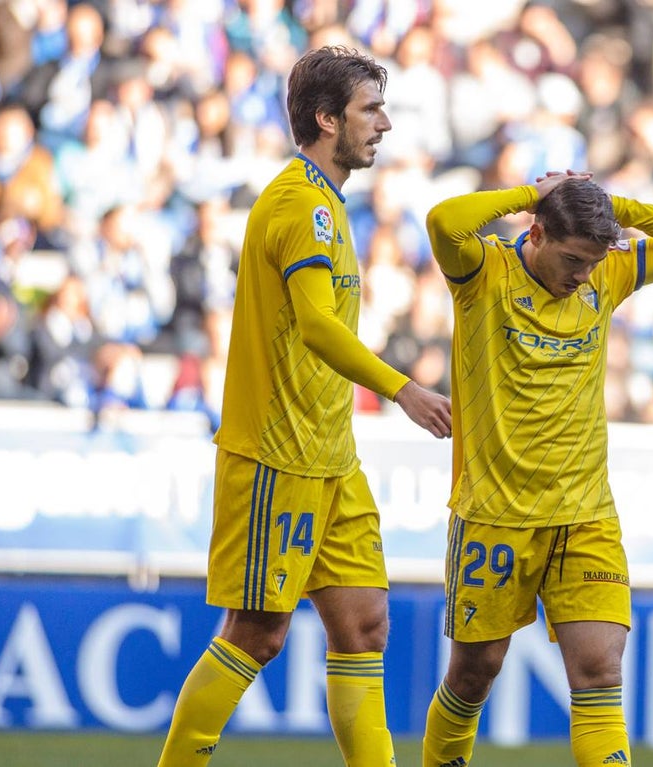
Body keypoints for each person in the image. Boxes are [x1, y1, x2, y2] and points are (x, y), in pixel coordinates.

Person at [156, 46, 452, 767]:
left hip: (330, 456)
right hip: (276, 455)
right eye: (369, 110)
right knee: (256, 633)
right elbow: (318, 325)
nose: (383, 124)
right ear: (326, 119)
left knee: (364, 624)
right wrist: (402, 389)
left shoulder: (328, 203)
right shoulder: (298, 202)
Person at [421, 169, 653, 767]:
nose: (582, 274)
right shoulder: (482, 272)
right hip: (495, 514)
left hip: (584, 516)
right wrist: (532, 192)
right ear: (535, 233)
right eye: (572, 258)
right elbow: (443, 221)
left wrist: (618, 208)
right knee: (473, 674)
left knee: (599, 670)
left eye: (592, 260)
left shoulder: (607, 273)